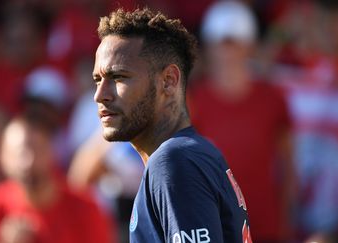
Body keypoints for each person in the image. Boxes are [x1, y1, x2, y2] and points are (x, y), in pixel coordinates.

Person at [92, 8, 252, 243]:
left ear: (169, 81)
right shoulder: (193, 153)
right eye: (97, 79)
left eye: (118, 77)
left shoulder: (174, 161)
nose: (100, 95)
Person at [189, 1, 296, 242]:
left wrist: (287, 219)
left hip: (266, 226)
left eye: (235, 44)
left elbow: (288, 165)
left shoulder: (272, 97)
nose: (228, 53)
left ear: (249, 46)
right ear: (209, 47)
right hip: (215, 226)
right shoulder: (194, 99)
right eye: (221, 44)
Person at [0, 107, 116, 243]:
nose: (28, 161)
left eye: (37, 149)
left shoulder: (85, 207)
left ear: (51, 152)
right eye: (19, 153)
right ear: (3, 157)